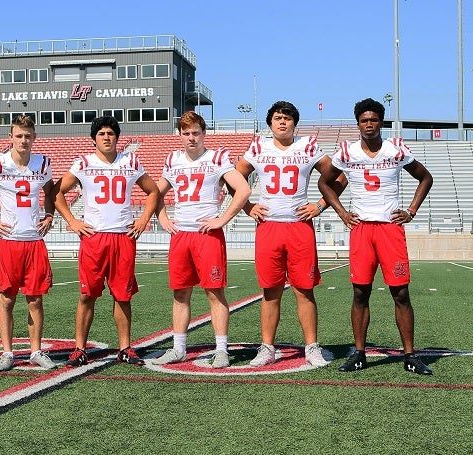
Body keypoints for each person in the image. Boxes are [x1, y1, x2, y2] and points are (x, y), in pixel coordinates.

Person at [318, 98, 433, 375]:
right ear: (357, 123)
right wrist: (343, 213)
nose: (368, 125)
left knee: (401, 292)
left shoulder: (395, 149)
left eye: (373, 120)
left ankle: (410, 355)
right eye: (363, 120)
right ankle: (359, 353)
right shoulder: (347, 151)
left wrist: (411, 211)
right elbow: (324, 182)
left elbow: (425, 177)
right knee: (360, 292)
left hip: (390, 228)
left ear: (381, 121)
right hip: (361, 229)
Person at [235, 100, 347, 368]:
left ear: (294, 122)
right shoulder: (258, 147)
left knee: (304, 290)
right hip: (269, 226)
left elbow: (340, 176)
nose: (282, 122)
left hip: (299, 226)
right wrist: (248, 206)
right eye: (277, 118)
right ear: (270, 123)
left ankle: (311, 347)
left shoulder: (307, 146)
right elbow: (234, 177)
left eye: (287, 118)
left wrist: (319, 205)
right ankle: (267, 348)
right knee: (270, 291)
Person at [54, 116, 159, 367]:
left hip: (123, 236)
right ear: (94, 138)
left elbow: (153, 191)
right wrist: (72, 221)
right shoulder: (83, 163)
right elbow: (56, 192)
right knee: (87, 295)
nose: (106, 137)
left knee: (122, 296)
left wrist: (144, 219)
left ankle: (125, 348)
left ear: (117, 137)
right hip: (94, 237)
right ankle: (80, 348)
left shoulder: (130, 161)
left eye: (111, 133)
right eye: (101, 133)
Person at [150, 111, 251, 368]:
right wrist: (162, 218)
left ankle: (221, 350)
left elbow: (243, 189)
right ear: (180, 135)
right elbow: (155, 193)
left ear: (204, 134)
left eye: (196, 132)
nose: (191, 138)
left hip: (207, 234)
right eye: (186, 133)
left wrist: (222, 219)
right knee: (180, 294)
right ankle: (179, 348)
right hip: (181, 233)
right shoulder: (173, 159)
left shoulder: (217, 158)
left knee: (214, 292)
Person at [0, 114, 57, 371]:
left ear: (35, 138)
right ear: (10, 137)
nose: (23, 140)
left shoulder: (42, 163)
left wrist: (50, 214)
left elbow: (51, 192)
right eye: (19, 136)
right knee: (7, 299)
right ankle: (7, 352)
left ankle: (36, 351)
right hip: (8, 240)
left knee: (35, 299)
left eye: (28, 136)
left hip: (33, 240)